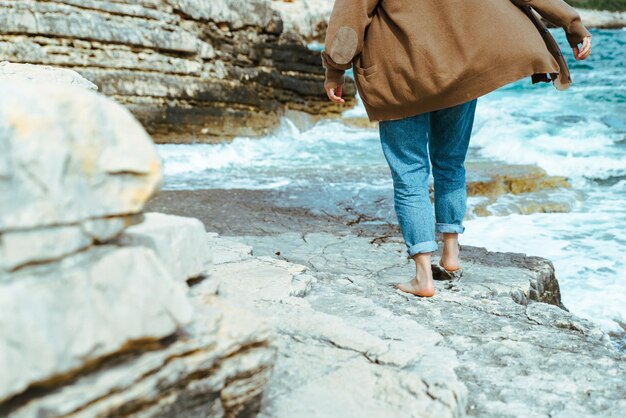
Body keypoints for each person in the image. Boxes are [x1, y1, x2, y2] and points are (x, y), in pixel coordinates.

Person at [322, 0, 591, 297]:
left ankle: (423, 276)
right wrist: (571, 22)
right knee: (450, 163)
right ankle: (451, 254)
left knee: (410, 174)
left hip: (399, 76)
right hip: (459, 68)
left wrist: (335, 68)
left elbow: (352, 12)